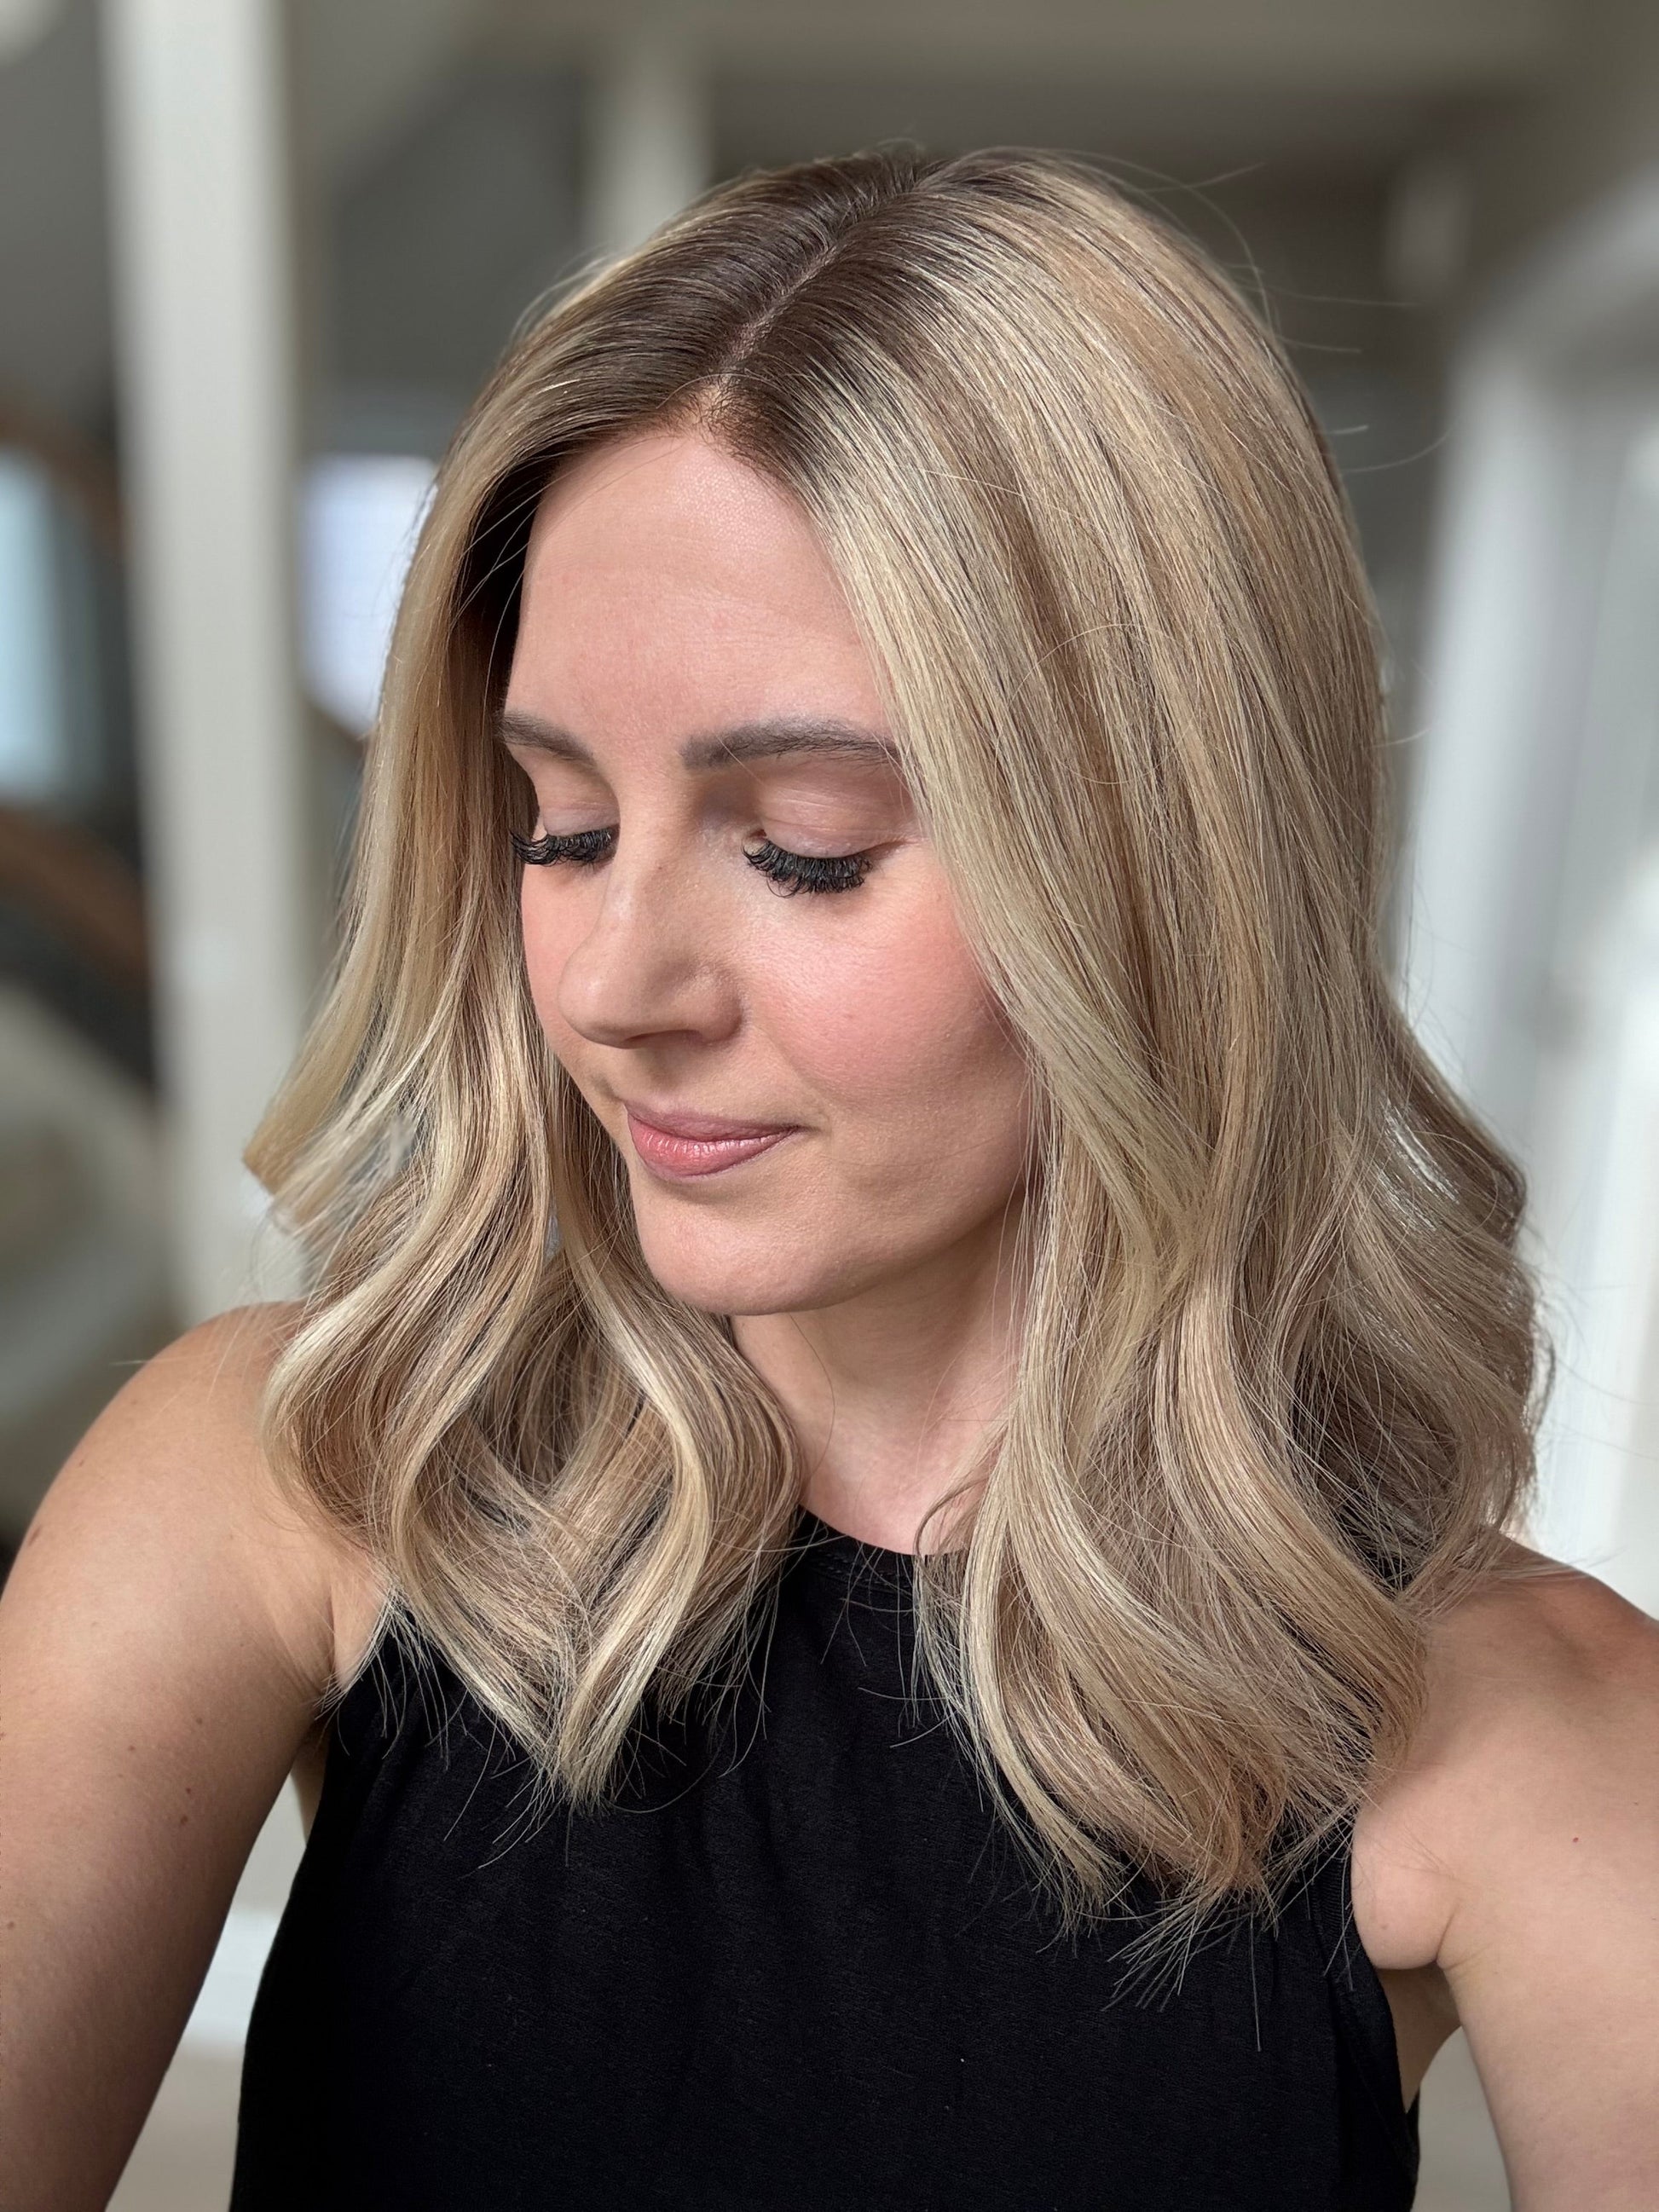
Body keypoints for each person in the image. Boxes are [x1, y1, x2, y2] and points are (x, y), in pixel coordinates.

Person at [2, 146, 1655, 2212]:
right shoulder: (287, 1482)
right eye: (558, 824)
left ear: (1166, 873)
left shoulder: (1532, 1736)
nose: (610, 987)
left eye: (802, 848)